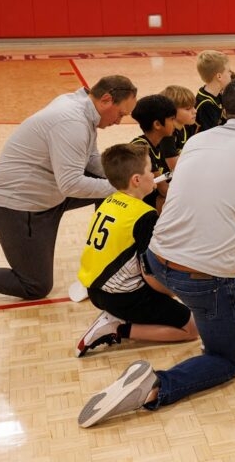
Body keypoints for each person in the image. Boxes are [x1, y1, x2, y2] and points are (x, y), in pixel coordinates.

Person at [77, 77, 235, 428]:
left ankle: (124, 322)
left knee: (193, 304)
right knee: (225, 360)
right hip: (204, 278)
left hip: (156, 262)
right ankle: (154, 386)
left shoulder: (196, 141)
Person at [0, 75, 137, 300]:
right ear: (106, 99)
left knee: (110, 188)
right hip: (16, 206)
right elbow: (71, 184)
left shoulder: (82, 108)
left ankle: (106, 258)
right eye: (121, 114)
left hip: (47, 194)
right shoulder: (71, 122)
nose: (119, 121)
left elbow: (90, 159)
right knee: (35, 286)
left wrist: (126, 179)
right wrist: (120, 188)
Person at [75, 144, 198, 357]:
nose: (154, 175)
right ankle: (117, 328)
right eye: (150, 170)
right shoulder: (144, 215)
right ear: (137, 180)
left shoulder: (109, 201)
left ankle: (118, 318)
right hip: (121, 296)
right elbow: (150, 275)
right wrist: (173, 293)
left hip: (94, 289)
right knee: (192, 329)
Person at [129, 94, 177, 210]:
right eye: (171, 119)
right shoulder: (141, 148)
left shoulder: (162, 142)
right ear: (157, 124)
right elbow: (164, 190)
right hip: (138, 207)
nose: (174, 124)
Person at [159, 85, 198, 171]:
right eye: (188, 109)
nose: (195, 111)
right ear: (171, 112)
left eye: (194, 106)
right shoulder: (166, 135)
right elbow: (175, 168)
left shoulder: (186, 127)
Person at [195, 50, 233, 132]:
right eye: (228, 71)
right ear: (219, 76)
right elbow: (210, 135)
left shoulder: (217, 94)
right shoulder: (206, 105)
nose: (231, 74)